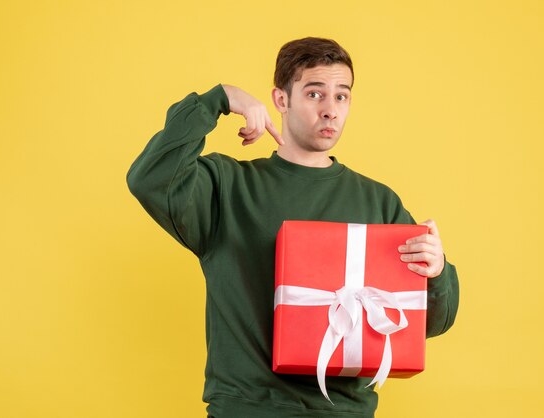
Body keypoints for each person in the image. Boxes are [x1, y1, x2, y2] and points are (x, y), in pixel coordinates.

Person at [127, 37, 459, 418]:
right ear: (281, 100)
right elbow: (149, 178)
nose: (330, 110)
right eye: (315, 94)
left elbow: (430, 323)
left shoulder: (378, 202)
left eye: (342, 96)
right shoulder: (227, 187)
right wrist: (219, 99)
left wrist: (437, 272)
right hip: (245, 410)